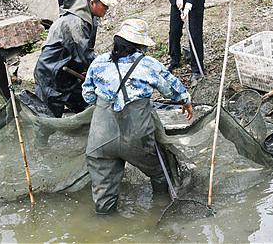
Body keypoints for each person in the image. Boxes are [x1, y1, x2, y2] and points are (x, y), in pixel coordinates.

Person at [82, 18, 194, 215]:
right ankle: (160, 208)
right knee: (160, 172)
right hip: (136, 138)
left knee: (103, 192)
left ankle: (105, 222)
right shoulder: (148, 65)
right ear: (140, 45)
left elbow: (88, 95)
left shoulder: (98, 62)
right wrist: (185, 101)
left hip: (100, 139)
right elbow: (173, 89)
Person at [34, 0, 117, 118]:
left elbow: (86, 52)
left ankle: (92, 136)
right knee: (48, 118)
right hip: (52, 73)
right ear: (93, 3)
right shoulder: (75, 22)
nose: (107, 9)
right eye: (104, 5)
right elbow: (83, 54)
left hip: (70, 73)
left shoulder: (90, 17)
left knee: (87, 109)